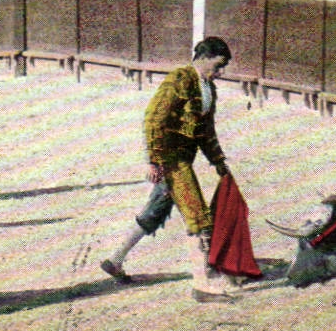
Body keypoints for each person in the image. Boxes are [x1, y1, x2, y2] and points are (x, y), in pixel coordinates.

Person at [102, 37, 239, 302]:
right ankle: (204, 284)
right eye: (219, 65)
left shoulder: (208, 87)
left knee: (157, 210)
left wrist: (218, 161)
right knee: (199, 217)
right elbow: (154, 118)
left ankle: (115, 259)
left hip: (182, 158)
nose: (221, 73)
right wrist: (154, 160)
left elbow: (205, 132)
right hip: (173, 160)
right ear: (204, 57)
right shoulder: (180, 79)